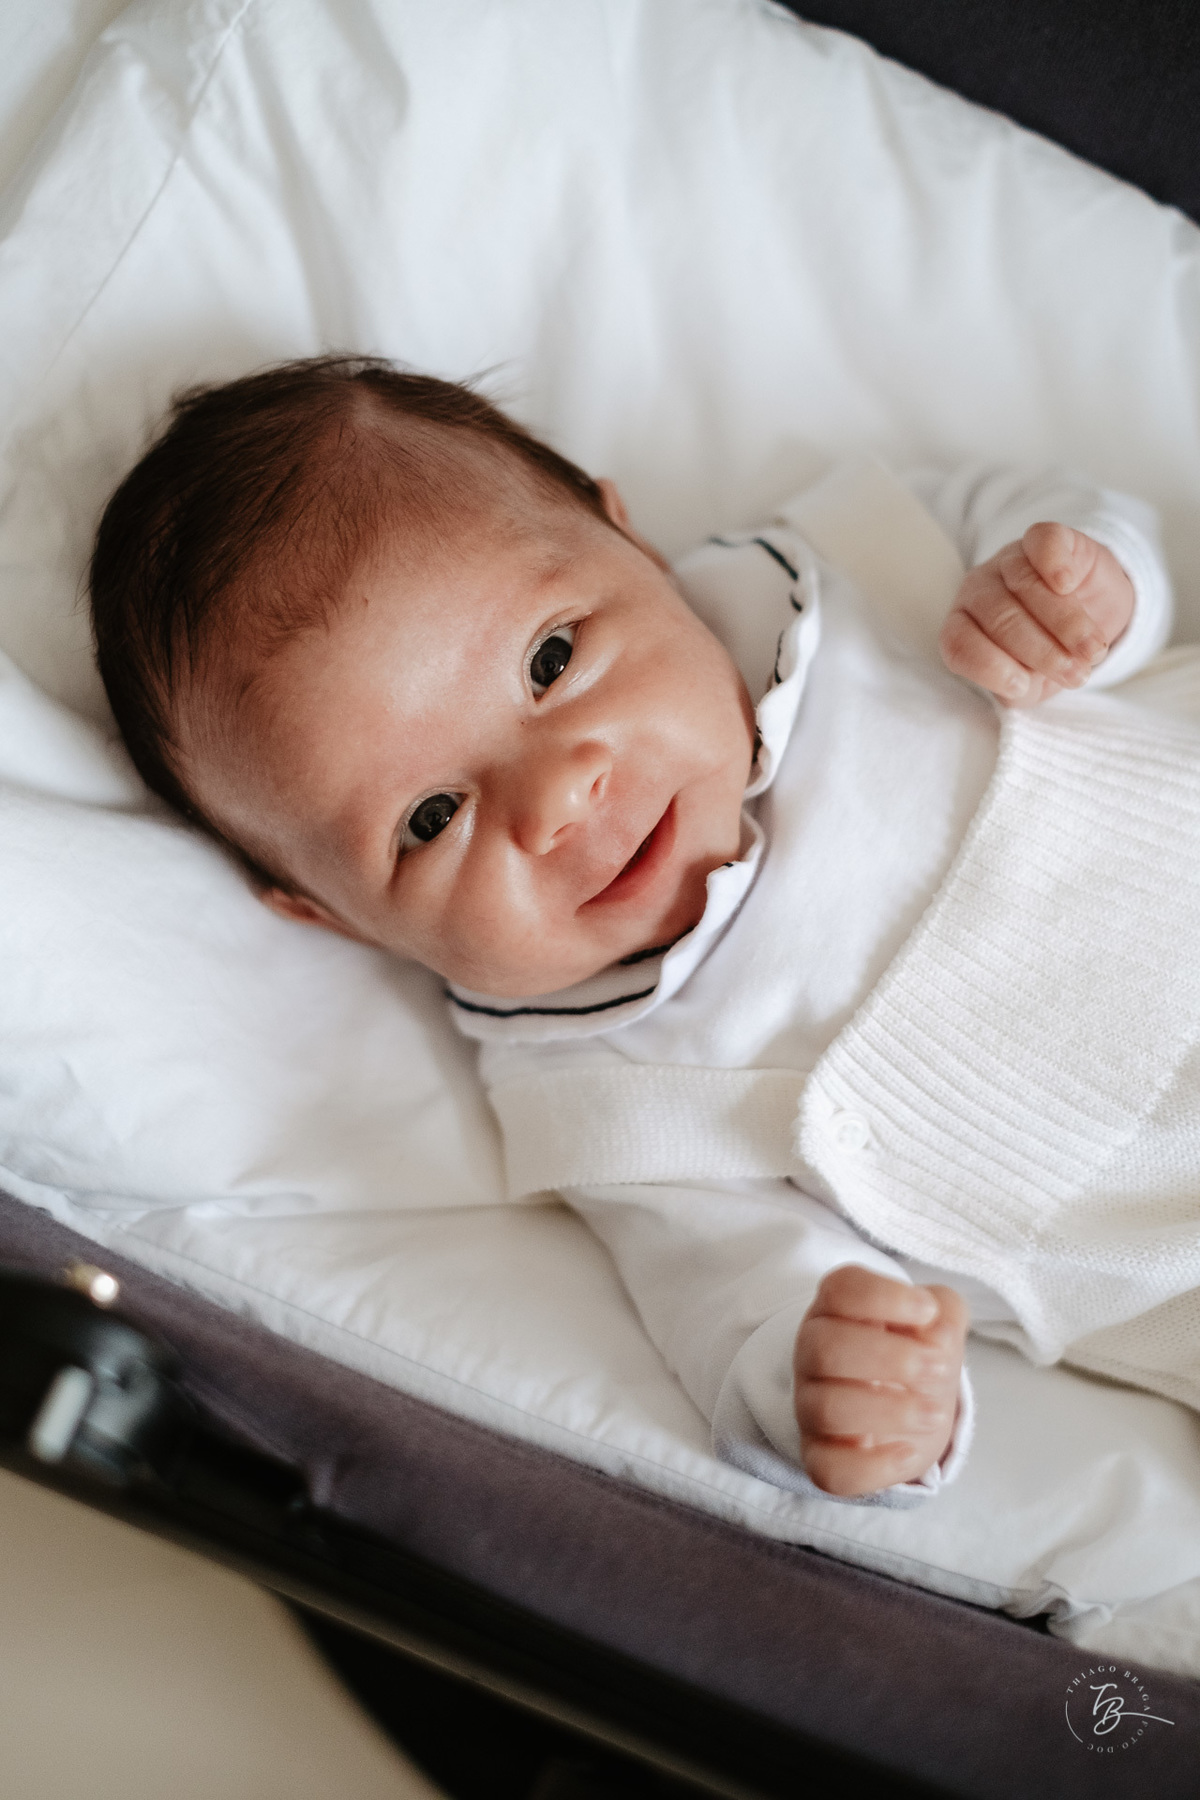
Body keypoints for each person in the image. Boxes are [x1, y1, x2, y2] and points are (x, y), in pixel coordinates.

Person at [90, 354, 1196, 1507]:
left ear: (630, 539)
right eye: (430, 818)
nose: (556, 801)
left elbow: (1054, 532)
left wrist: (1082, 590)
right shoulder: (604, 1088)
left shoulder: (850, 570)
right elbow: (731, 1298)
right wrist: (827, 1375)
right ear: (335, 919)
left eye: (552, 661)